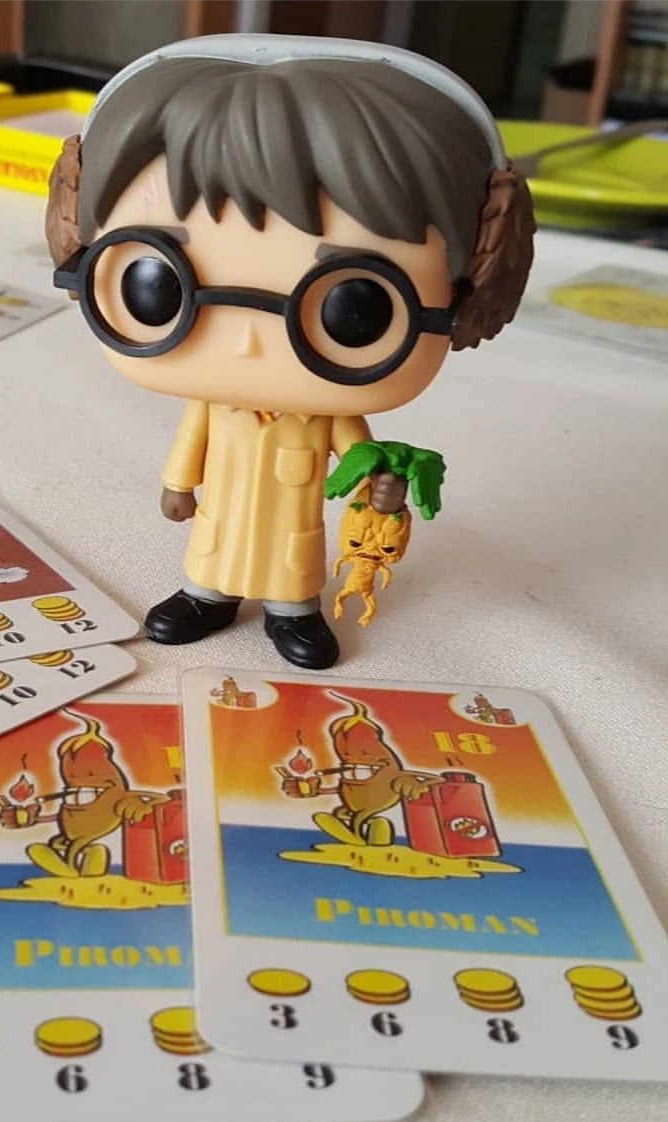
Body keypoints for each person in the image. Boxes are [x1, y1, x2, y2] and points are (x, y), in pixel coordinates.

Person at [47, 35, 534, 668]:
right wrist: (178, 484)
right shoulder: (215, 406)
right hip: (222, 512)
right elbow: (192, 439)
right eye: (158, 288)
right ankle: (206, 597)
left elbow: (359, 459)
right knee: (212, 548)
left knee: (292, 560)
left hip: (291, 518)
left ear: (468, 295)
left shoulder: (329, 413)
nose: (247, 340)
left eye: (354, 308)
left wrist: (380, 489)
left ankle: (292, 613)